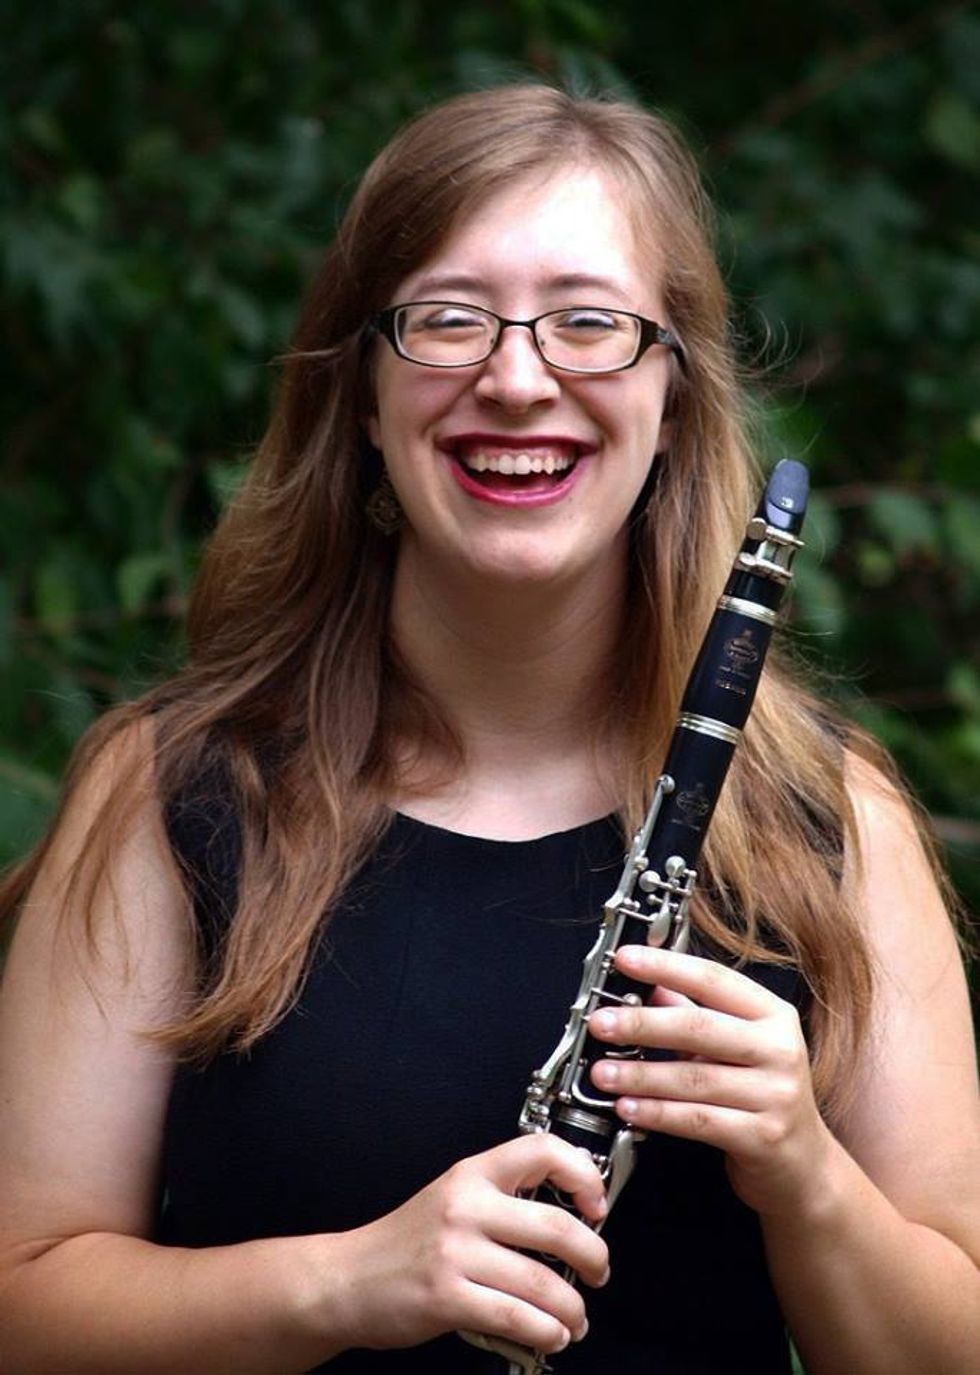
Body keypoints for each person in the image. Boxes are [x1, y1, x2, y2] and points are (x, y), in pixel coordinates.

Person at [0, 84, 977, 1375]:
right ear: (363, 394)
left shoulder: (833, 822)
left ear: (676, 398)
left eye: (589, 323)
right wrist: (344, 1284)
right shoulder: (173, 793)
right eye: (449, 319)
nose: (516, 381)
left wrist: (806, 1175)